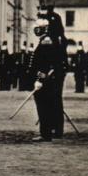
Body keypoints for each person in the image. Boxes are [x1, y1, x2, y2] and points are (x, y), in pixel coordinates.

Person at [28, 10, 67, 141]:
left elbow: (46, 62)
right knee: (51, 103)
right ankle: (53, 131)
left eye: (38, 28)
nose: (36, 30)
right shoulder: (49, 39)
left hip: (45, 79)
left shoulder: (47, 41)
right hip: (48, 78)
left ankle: (45, 134)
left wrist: (40, 79)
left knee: (44, 104)